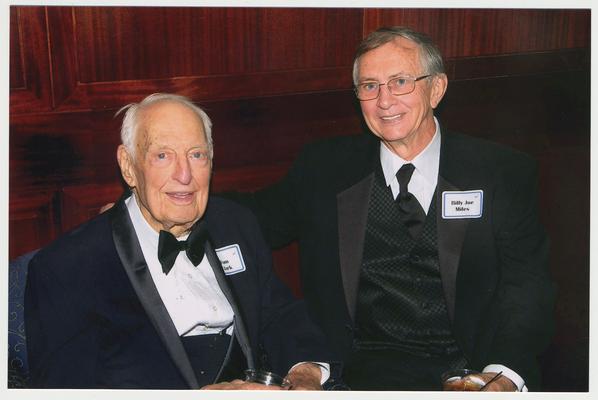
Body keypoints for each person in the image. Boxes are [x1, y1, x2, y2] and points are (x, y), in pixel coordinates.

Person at [228, 26, 555, 391]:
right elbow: (252, 219)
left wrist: (501, 376)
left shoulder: (500, 172)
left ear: (437, 89)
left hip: (473, 369)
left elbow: (528, 289)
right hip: (363, 374)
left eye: (400, 81)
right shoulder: (324, 170)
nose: (384, 101)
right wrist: (173, 195)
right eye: (369, 86)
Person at [24, 93, 336, 390]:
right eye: (162, 156)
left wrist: (305, 373)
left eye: (197, 155)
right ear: (128, 166)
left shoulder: (235, 223)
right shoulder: (67, 268)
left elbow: (279, 315)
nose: (184, 175)